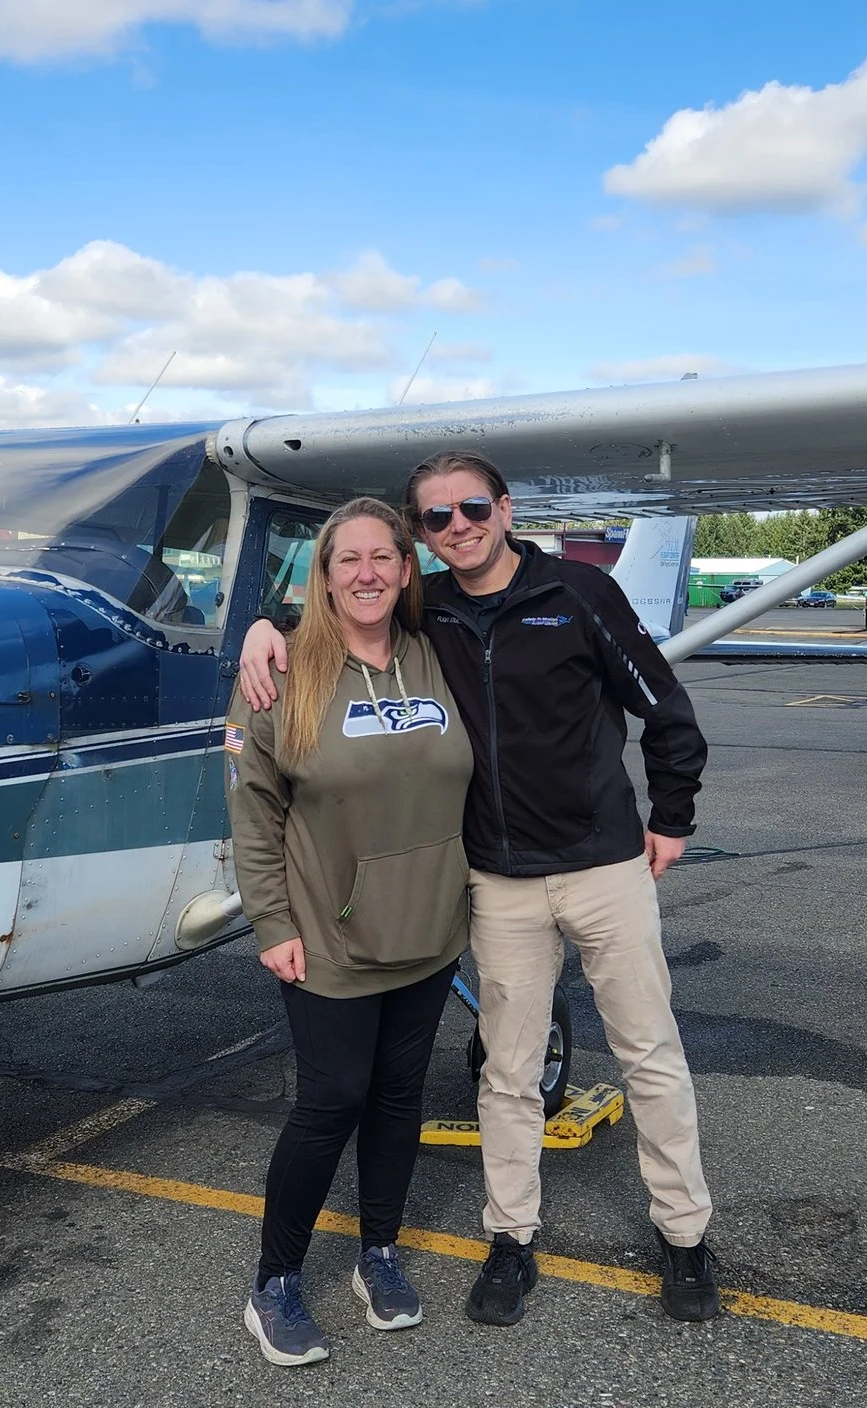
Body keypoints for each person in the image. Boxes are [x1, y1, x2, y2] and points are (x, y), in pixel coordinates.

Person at [239, 450, 721, 1326]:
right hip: (496, 883)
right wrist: (263, 626)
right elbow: (349, 602)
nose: (455, 527)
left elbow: (665, 705)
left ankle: (684, 1236)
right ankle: (510, 1238)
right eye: (435, 519)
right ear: (423, 535)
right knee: (507, 1070)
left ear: (504, 510)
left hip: (603, 863)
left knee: (650, 1053)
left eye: (470, 509)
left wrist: (672, 816)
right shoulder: (435, 617)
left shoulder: (580, 594)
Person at [226, 497, 475, 1368]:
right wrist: (270, 921)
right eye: (347, 559)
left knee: (401, 1099)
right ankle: (277, 1282)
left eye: (384, 557)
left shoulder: (438, 652)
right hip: (327, 939)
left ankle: (378, 1252)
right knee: (329, 1103)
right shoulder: (282, 674)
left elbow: (497, 574)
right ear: (321, 575)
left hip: (432, 931)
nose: (366, 572)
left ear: (408, 571)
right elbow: (253, 815)